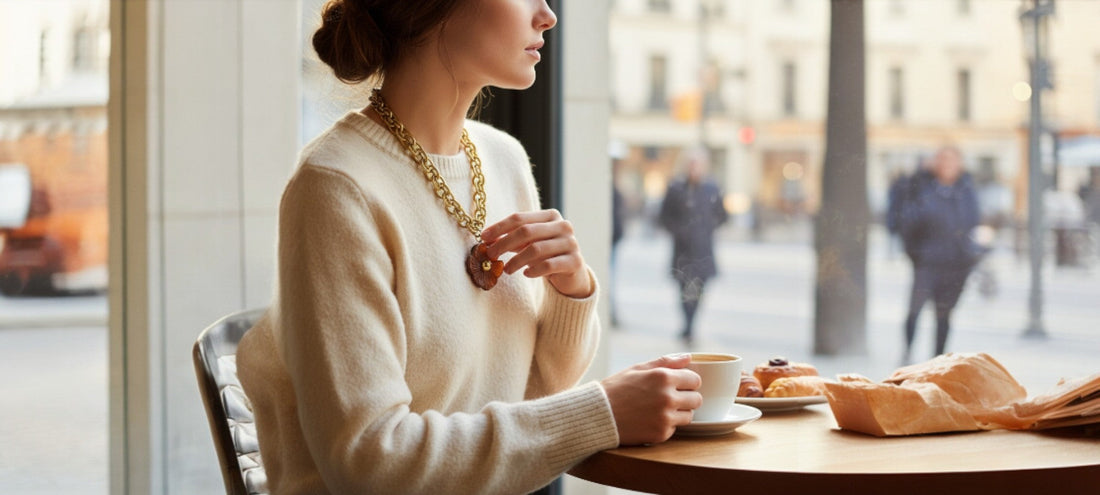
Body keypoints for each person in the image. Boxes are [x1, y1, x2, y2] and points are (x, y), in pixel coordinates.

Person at [235, 2, 703, 494]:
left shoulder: (503, 160)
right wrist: (602, 412)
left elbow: (532, 392)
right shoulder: (337, 186)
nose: (547, 15)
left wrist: (571, 290)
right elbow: (370, 464)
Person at [897, 146, 983, 364]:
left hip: (955, 264)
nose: (947, 166)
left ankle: (937, 360)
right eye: (942, 161)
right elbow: (907, 219)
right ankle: (907, 354)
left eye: (952, 161)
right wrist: (915, 253)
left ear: (960, 165)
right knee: (915, 310)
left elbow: (973, 221)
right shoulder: (922, 188)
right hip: (926, 261)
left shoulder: (966, 190)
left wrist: (968, 255)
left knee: (944, 314)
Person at [658, 150, 729, 343]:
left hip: (703, 249)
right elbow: (664, 217)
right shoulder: (675, 188)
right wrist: (679, 231)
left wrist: (707, 229)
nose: (694, 169)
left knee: (699, 288)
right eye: (691, 164)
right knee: (683, 288)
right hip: (682, 249)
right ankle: (687, 325)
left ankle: (691, 325)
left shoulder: (711, 189)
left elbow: (722, 215)